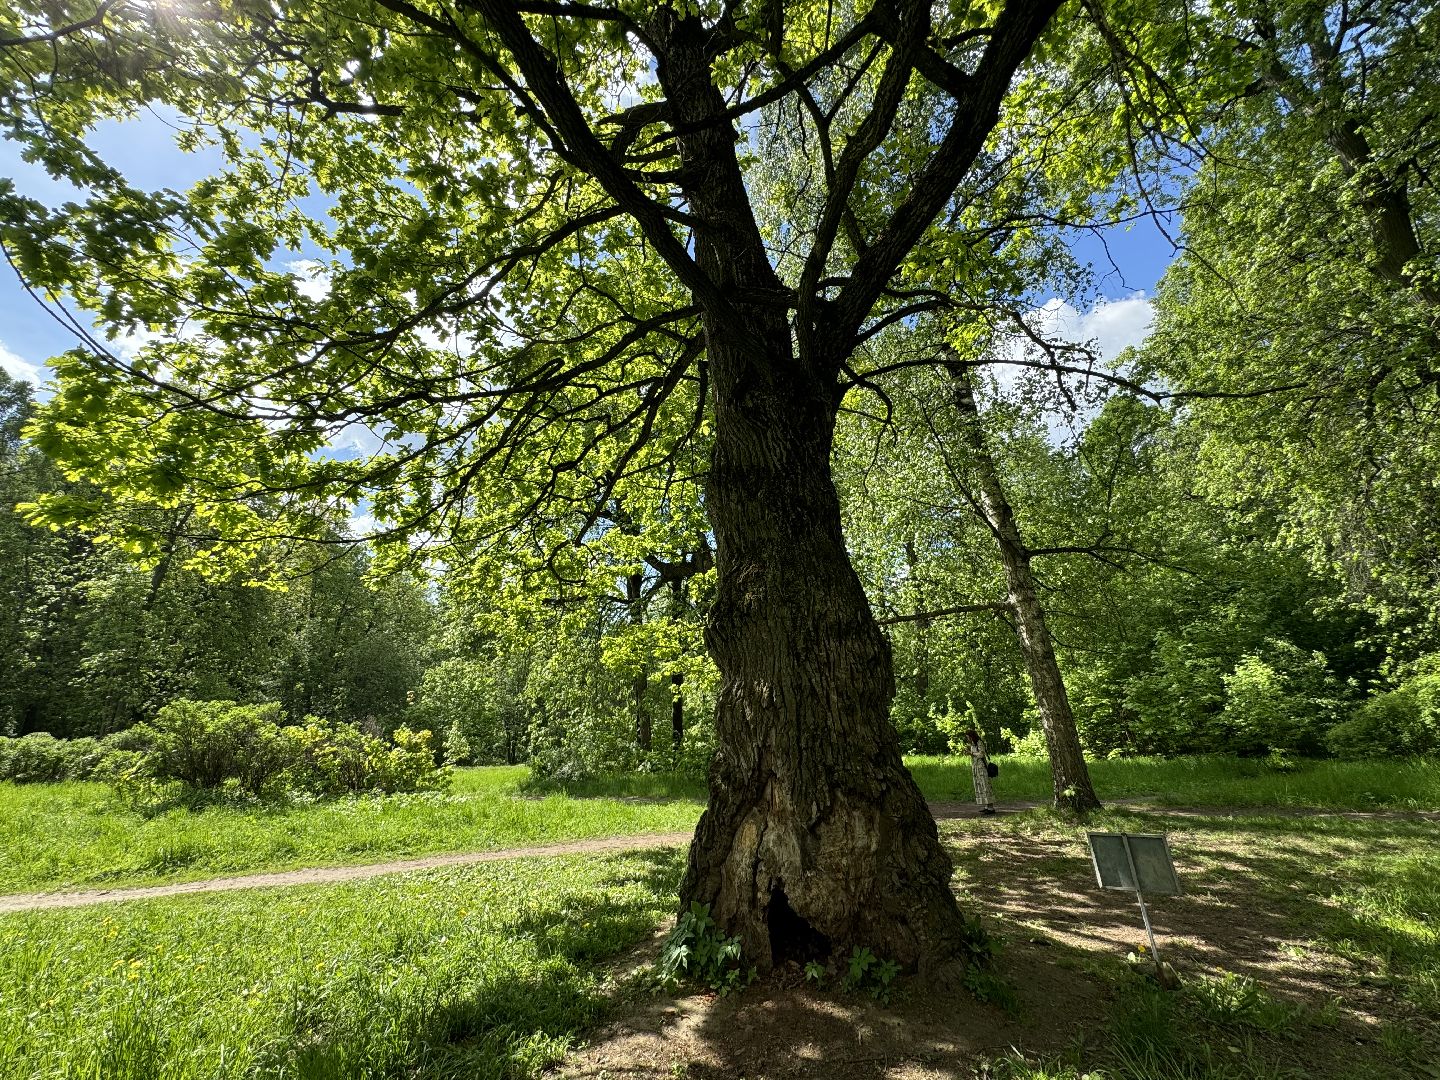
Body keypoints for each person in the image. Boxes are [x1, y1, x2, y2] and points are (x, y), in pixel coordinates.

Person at [963, 728, 996, 815]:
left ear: (972, 736)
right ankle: (986, 806)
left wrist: (971, 753)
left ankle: (991, 807)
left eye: (968, 737)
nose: (968, 739)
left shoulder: (979, 743)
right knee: (980, 785)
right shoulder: (973, 744)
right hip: (976, 767)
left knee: (985, 785)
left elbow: (981, 754)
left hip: (981, 767)